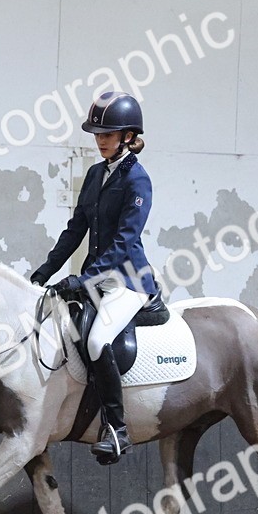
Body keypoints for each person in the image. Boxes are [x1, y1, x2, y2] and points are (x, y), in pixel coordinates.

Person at [30, 91, 159, 464]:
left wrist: (84, 279)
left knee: (98, 340)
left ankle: (117, 429)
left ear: (128, 136)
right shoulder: (93, 175)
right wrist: (47, 269)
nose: (100, 140)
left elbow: (125, 240)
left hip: (129, 279)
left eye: (108, 134)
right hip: (98, 277)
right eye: (97, 134)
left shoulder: (138, 180)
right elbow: (76, 230)